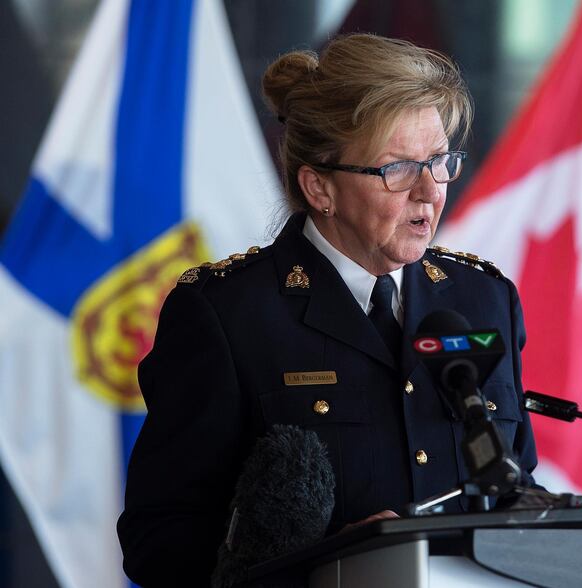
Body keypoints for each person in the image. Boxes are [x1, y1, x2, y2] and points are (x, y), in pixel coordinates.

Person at [117, 33, 538, 586]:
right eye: (398, 168)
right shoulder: (226, 316)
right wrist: (317, 561)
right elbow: (157, 541)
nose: (430, 192)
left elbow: (518, 485)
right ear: (320, 188)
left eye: (440, 161)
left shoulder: (483, 299)